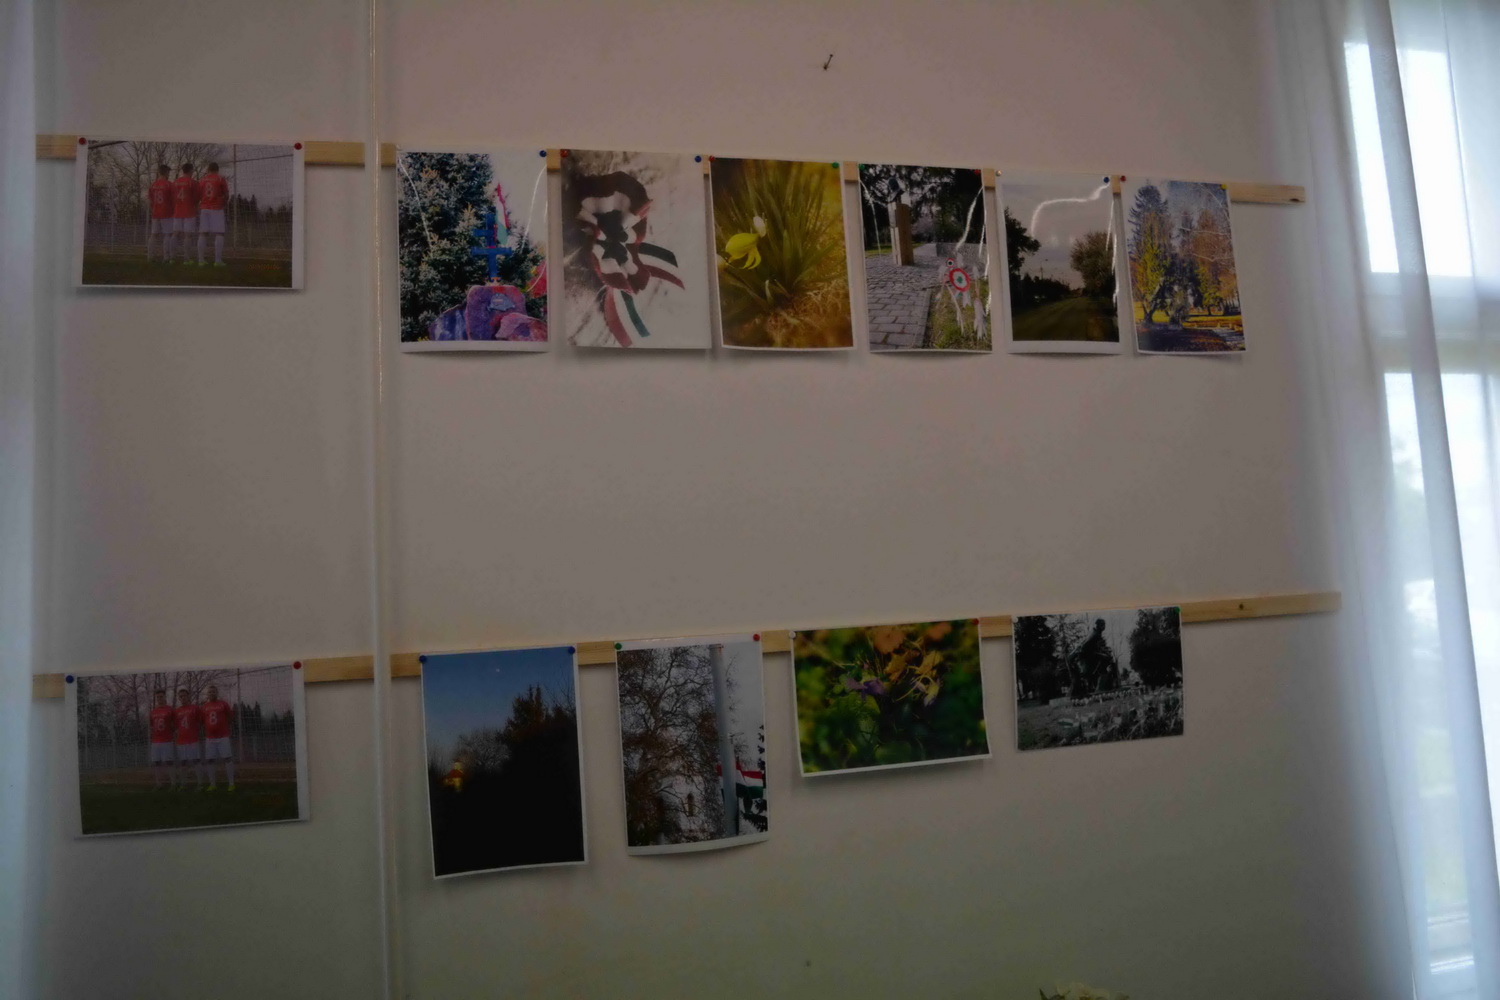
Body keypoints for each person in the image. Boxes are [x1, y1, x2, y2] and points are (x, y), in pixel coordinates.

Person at [200, 684, 235, 791]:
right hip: (210, 738)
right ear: (207, 694)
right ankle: (212, 784)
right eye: (210, 692)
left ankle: (231, 784)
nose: (212, 693)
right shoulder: (204, 707)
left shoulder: (223, 704)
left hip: (223, 737)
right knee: (210, 760)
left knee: (227, 759)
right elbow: (202, 721)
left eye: (213, 691)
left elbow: (230, 717)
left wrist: (224, 727)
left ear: (217, 693)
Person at [196, 162, 229, 267]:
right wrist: (224, 203)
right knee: (219, 233)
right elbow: (226, 194)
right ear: (217, 170)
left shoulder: (202, 180)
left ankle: (201, 260)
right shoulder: (220, 179)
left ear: (208, 170)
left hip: (204, 208)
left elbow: (198, 195)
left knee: (203, 233)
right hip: (217, 208)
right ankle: (217, 261)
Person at [172, 687, 205, 790]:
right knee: (183, 763)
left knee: (196, 761)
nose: (183, 698)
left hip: (193, 739)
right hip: (181, 741)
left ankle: (200, 784)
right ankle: (183, 784)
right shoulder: (177, 711)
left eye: (184, 696)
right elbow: (176, 726)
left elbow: (200, 722)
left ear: (188, 696)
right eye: (180, 696)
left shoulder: (195, 708)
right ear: (179, 698)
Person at [171, 162, 200, 263]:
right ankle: (186, 258)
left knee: (175, 234)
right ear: (191, 170)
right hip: (189, 211)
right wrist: (196, 207)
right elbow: (196, 198)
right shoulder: (193, 182)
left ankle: (172, 258)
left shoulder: (175, 182)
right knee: (188, 235)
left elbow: (172, 197)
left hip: (178, 211)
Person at [148, 689, 176, 788]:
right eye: (158, 697)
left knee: (169, 762)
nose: (159, 699)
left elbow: (175, 724)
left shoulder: (170, 710)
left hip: (167, 740)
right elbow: (151, 726)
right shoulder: (153, 712)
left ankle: (173, 783)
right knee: (156, 762)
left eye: (161, 697)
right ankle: (159, 784)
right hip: (156, 741)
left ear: (165, 697)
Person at [146, 165, 174, 263]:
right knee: (167, 235)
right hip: (167, 213)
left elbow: (150, 201)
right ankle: (166, 257)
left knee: (154, 235)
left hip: (155, 213)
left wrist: (153, 210)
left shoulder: (153, 185)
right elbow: (173, 200)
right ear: (166, 173)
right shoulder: (169, 185)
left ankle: (150, 256)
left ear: (158, 172)